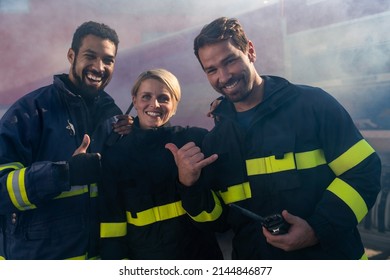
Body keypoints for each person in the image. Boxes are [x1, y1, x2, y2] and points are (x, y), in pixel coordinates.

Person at [165, 17, 382, 259]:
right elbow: (217, 222)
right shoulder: (216, 142)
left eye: (230, 61)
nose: (224, 76)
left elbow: (363, 172)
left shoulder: (312, 105)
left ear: (250, 51)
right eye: (212, 70)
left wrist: (318, 228)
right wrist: (189, 185)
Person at [0, 21, 132, 260]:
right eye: (90, 56)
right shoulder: (29, 113)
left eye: (108, 60)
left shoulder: (112, 116)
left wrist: (136, 135)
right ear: (71, 55)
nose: (99, 67)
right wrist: (63, 174)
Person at [99, 68, 223, 260]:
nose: (154, 105)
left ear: (175, 105)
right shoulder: (116, 155)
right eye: (146, 96)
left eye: (164, 98)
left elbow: (216, 221)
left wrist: (189, 184)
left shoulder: (195, 141)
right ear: (134, 100)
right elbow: (111, 230)